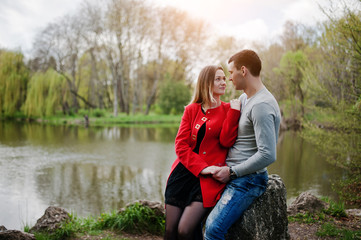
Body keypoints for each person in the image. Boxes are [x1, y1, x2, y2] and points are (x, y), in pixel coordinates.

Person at [204, 50, 281, 240]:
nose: (229, 78)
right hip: (233, 174)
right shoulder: (246, 98)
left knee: (213, 230)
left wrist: (231, 172)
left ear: (243, 70)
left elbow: (268, 154)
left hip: (247, 180)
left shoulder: (262, 105)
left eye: (231, 73)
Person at [164, 65, 241, 240]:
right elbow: (181, 145)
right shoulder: (191, 110)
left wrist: (235, 113)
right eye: (218, 79)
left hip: (208, 180)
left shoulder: (229, 109)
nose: (224, 82)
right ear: (206, 83)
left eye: (224, 78)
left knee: (185, 230)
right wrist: (202, 167)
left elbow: (227, 141)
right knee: (170, 231)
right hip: (183, 174)